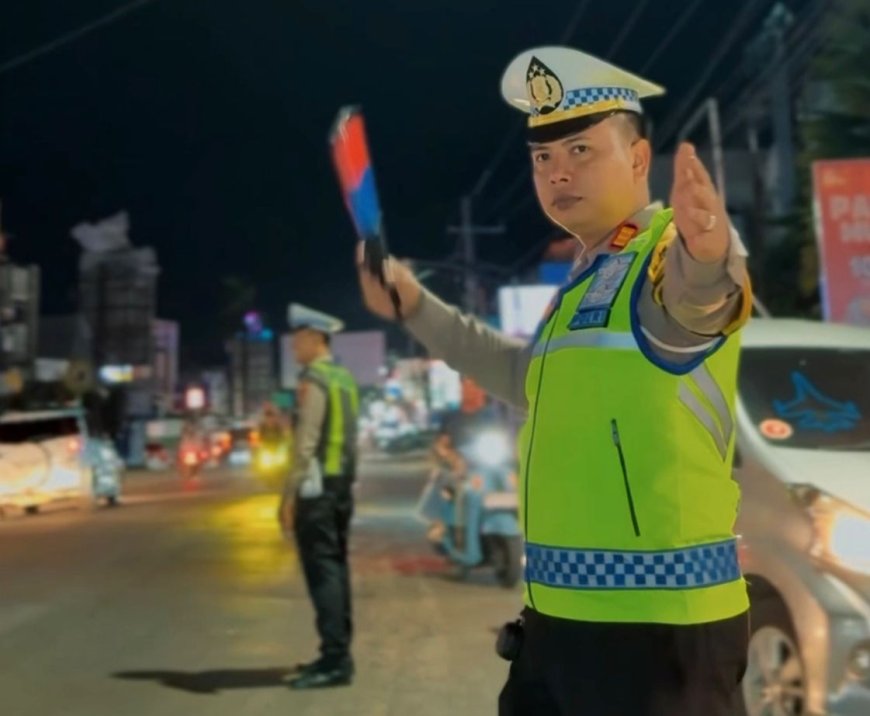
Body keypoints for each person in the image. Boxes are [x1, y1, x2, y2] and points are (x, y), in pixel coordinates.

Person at [358, 46, 753, 715]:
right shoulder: (585, 277)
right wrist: (416, 306)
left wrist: (710, 253)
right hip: (557, 622)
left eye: (580, 151)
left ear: (636, 159)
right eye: (544, 158)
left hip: (658, 633)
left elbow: (703, 300)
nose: (557, 173)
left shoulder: (666, 253)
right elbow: (523, 375)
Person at [278, 303, 360, 690]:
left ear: (315, 338)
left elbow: (304, 443)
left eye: (298, 340)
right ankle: (337, 653)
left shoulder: (314, 380)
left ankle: (334, 660)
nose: (294, 347)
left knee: (322, 573)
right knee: (336, 570)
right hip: (341, 489)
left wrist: (287, 497)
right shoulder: (344, 378)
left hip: (318, 492)